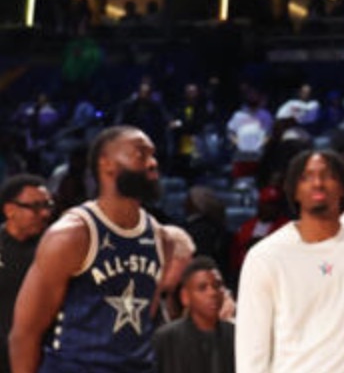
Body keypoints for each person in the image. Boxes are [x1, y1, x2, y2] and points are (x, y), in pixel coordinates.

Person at [9, 126, 195, 373]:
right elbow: (25, 333)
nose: (152, 163)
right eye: (140, 154)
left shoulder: (161, 238)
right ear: (106, 164)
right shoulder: (71, 235)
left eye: (153, 155)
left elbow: (143, 320)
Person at [233, 149, 344, 373]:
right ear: (294, 191)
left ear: (343, 187)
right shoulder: (264, 257)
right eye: (306, 177)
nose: (317, 183)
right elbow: (251, 352)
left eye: (327, 176)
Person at [1, 175, 52, 373]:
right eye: (35, 207)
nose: (45, 213)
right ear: (10, 210)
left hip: (43, 358)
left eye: (48, 205)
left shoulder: (56, 250)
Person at [152, 256, 235, 373]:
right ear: (185, 296)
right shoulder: (165, 339)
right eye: (202, 288)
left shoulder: (235, 335)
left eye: (217, 286)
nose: (212, 293)